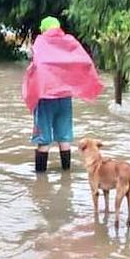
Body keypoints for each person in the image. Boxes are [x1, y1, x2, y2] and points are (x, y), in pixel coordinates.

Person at [22, 16, 103, 173]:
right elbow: (84, 61)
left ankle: (40, 180)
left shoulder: (41, 42)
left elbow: (36, 66)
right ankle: (67, 175)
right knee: (64, 138)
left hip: (45, 98)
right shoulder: (69, 42)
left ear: (43, 29)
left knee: (43, 140)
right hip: (65, 98)